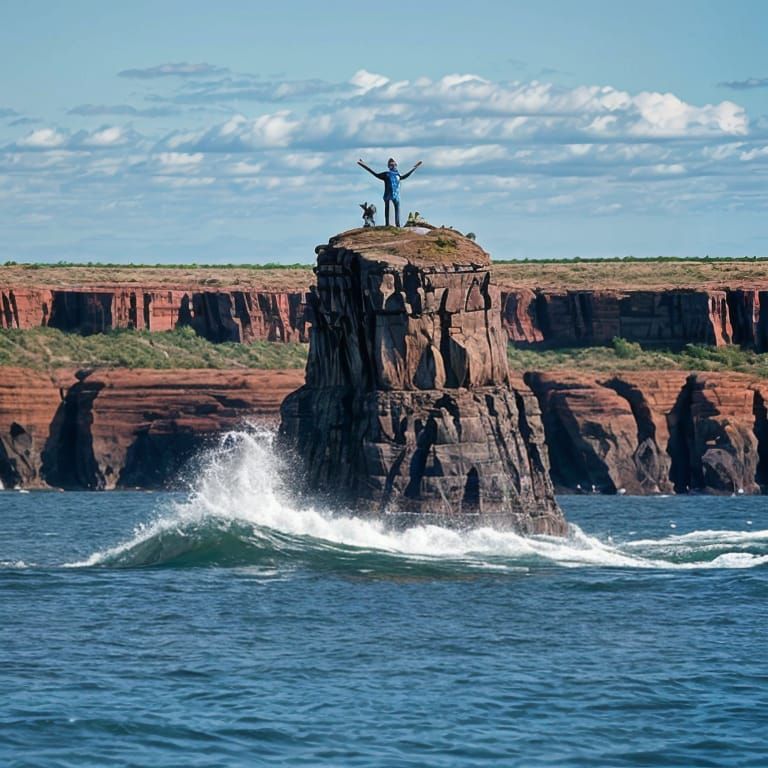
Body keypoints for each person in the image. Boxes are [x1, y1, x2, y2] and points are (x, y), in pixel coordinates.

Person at [357, 157, 422, 227]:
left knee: (397, 209)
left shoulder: (398, 175)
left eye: (394, 165)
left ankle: (397, 225)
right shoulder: (386, 174)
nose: (393, 166)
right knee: (387, 208)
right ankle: (387, 224)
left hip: (396, 195)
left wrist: (415, 168)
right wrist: (363, 164)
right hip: (388, 194)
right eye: (391, 165)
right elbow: (374, 173)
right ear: (389, 166)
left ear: (396, 165)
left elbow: (406, 175)